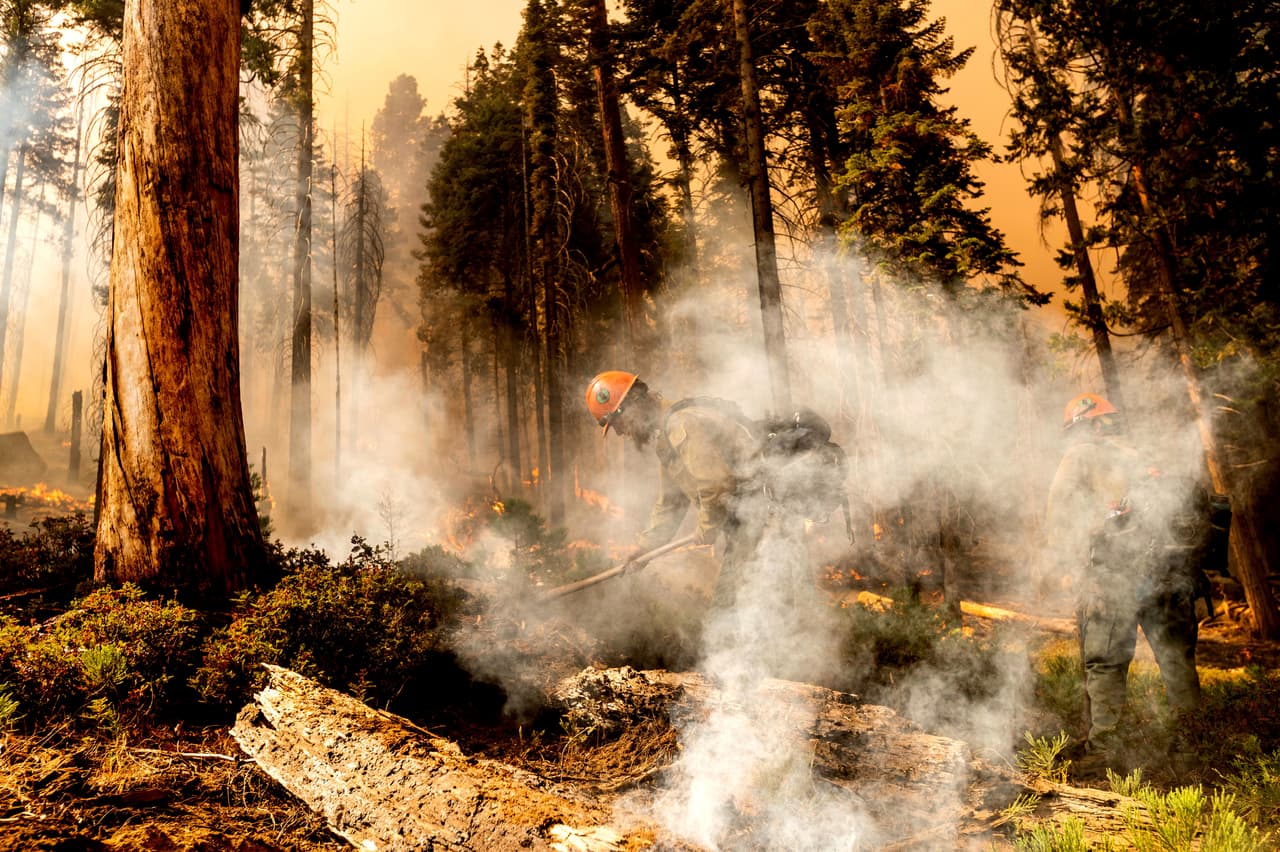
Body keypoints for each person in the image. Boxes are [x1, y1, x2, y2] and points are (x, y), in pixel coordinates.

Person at [1044, 392, 1204, 774]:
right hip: (1167, 571)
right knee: (1176, 660)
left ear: (1088, 424)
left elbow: (1058, 509)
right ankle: (1194, 747)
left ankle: (1104, 751)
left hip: (1112, 575)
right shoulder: (1146, 454)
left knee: (1105, 663)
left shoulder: (1081, 454)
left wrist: (1062, 563)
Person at [583, 370, 765, 611]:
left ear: (633, 406)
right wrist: (647, 546)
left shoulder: (681, 425)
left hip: (764, 520)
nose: (619, 432)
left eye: (617, 422)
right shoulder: (668, 434)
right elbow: (672, 501)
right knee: (745, 609)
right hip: (750, 524)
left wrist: (706, 528)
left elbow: (716, 484)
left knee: (734, 612)